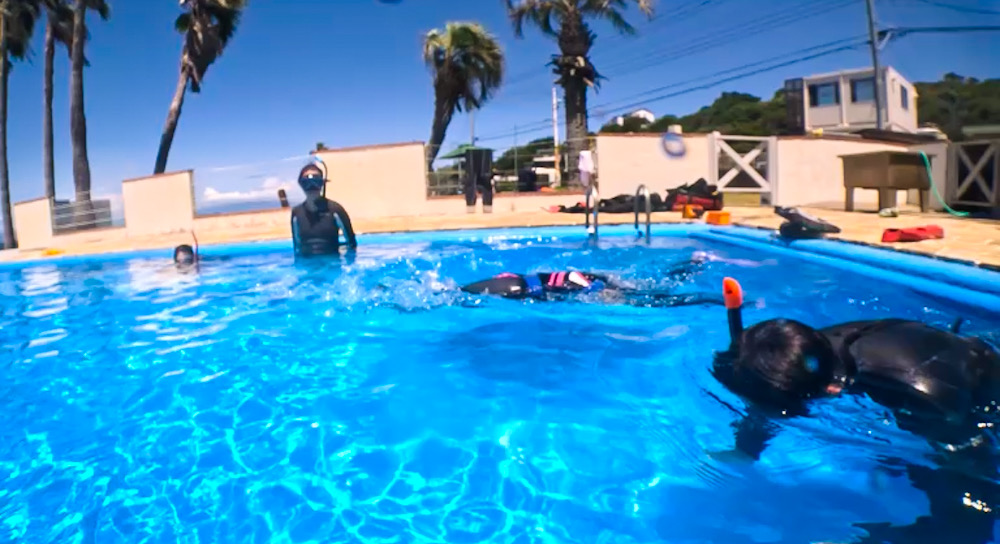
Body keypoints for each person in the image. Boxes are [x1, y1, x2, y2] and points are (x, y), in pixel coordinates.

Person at [710, 277, 1000, 543]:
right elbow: (766, 396)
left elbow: (973, 504)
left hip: (978, 388)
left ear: (831, 391)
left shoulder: (924, 396)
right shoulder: (802, 349)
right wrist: (746, 449)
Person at [460, 268, 722, 308]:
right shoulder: (510, 283)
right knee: (655, 291)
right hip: (578, 278)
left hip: (583, 285)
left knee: (655, 300)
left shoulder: (514, 290)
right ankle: (691, 267)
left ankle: (711, 298)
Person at [291, 163, 357, 257]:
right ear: (301, 184)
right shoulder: (296, 213)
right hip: (307, 267)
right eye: (306, 183)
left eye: (315, 181)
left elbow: (352, 244)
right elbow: (296, 247)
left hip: (331, 265)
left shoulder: (335, 209)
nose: (311, 187)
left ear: (322, 183)